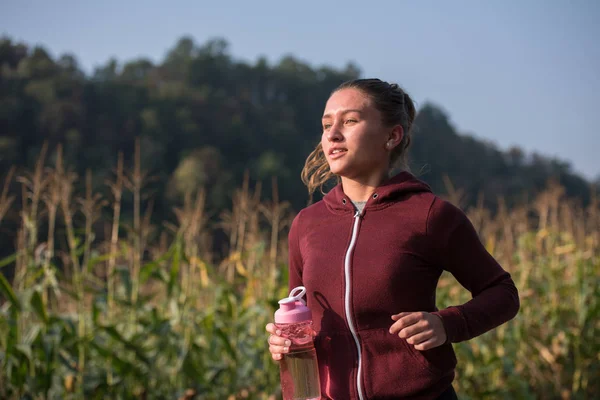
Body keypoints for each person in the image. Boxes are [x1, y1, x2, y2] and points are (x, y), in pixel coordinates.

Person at [265, 78, 520, 399]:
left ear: (392, 135)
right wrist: (285, 338)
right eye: (326, 124)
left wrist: (447, 324)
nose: (332, 134)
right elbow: (298, 311)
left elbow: (503, 293)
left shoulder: (429, 215)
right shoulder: (306, 224)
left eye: (350, 121)